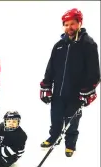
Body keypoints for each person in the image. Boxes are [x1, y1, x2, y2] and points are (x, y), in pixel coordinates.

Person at [40, 8, 100, 157]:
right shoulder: (59, 45)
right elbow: (50, 67)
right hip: (58, 91)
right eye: (66, 24)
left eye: (72, 24)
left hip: (76, 93)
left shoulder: (88, 45)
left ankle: (70, 144)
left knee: (71, 120)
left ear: (80, 23)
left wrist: (88, 91)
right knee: (55, 116)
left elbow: (94, 72)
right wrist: (46, 86)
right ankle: (54, 137)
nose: (69, 28)